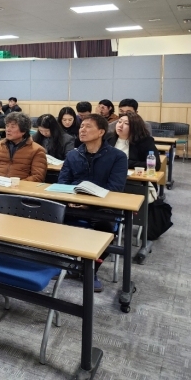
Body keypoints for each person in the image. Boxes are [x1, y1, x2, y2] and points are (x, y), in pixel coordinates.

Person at [58, 114, 128, 293]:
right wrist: (72, 200)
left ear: (101, 132)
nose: (82, 130)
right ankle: (66, 264)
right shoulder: (73, 154)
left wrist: (89, 204)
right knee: (48, 216)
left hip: (103, 206)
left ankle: (90, 270)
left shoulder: (117, 157)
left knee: (105, 228)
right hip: (73, 203)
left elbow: (115, 188)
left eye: (88, 127)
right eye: (82, 126)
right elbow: (63, 182)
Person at [0, 112, 47, 182]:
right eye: (7, 126)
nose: (8, 130)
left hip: (20, 186)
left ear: (23, 131)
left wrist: (16, 184)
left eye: (13, 127)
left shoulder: (37, 150)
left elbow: (37, 176)